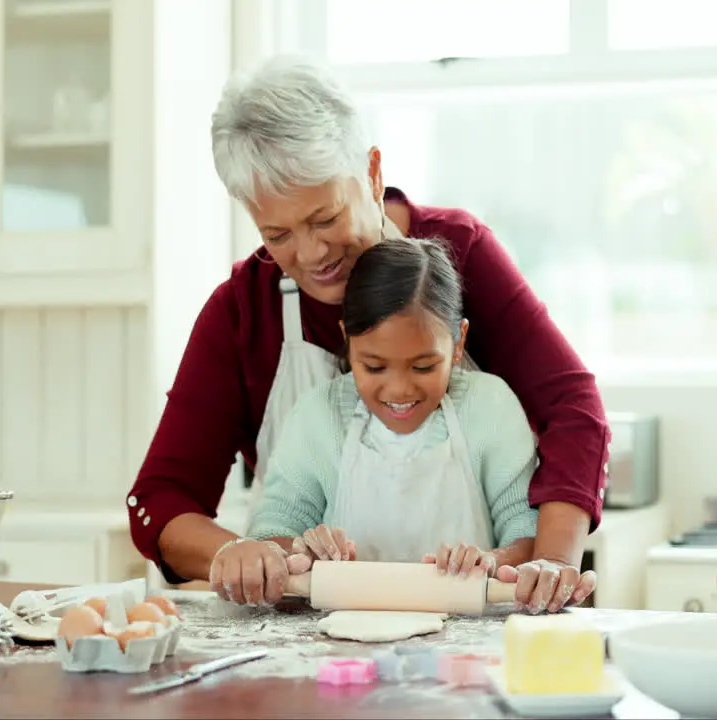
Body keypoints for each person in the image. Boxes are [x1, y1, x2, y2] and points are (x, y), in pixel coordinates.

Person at [125, 55, 606, 613]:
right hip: (312, 637)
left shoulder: (459, 252)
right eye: (276, 233)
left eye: (325, 218)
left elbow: (573, 407)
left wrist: (547, 571)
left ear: (372, 174)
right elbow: (160, 498)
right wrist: (242, 552)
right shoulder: (242, 310)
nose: (310, 255)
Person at [243, 237, 541, 580]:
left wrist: (493, 561)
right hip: (337, 631)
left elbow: (527, 532)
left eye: (424, 367)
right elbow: (269, 535)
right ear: (348, 339)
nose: (399, 390)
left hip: (470, 628)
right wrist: (299, 553)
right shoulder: (318, 416)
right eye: (373, 367)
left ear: (458, 343)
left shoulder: (489, 407)